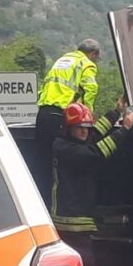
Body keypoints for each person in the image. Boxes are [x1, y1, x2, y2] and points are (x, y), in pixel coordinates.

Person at [52, 101, 133, 266]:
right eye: (79, 128)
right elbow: (98, 153)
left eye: (86, 128)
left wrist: (116, 111)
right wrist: (125, 130)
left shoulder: (73, 141)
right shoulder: (66, 149)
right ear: (68, 129)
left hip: (78, 218)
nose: (84, 132)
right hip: (71, 221)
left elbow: (96, 133)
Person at [34, 39, 103, 205]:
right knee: (63, 164)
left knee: (43, 163)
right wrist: (87, 115)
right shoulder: (86, 63)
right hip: (60, 114)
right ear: (94, 54)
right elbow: (90, 89)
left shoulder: (62, 60)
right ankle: (62, 206)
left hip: (43, 113)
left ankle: (41, 205)